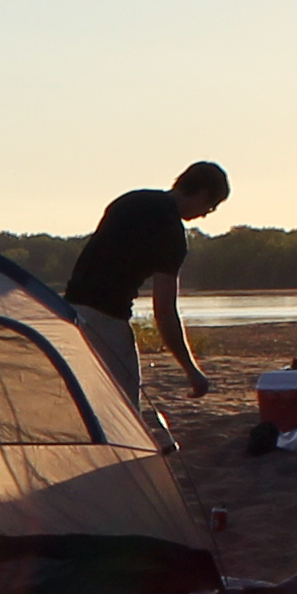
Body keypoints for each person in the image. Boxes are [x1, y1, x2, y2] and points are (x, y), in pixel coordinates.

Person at [62, 161, 228, 408]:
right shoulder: (172, 234)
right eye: (210, 207)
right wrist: (192, 370)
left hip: (68, 311)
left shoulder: (131, 200)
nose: (204, 215)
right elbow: (164, 310)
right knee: (123, 407)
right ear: (202, 194)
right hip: (107, 318)